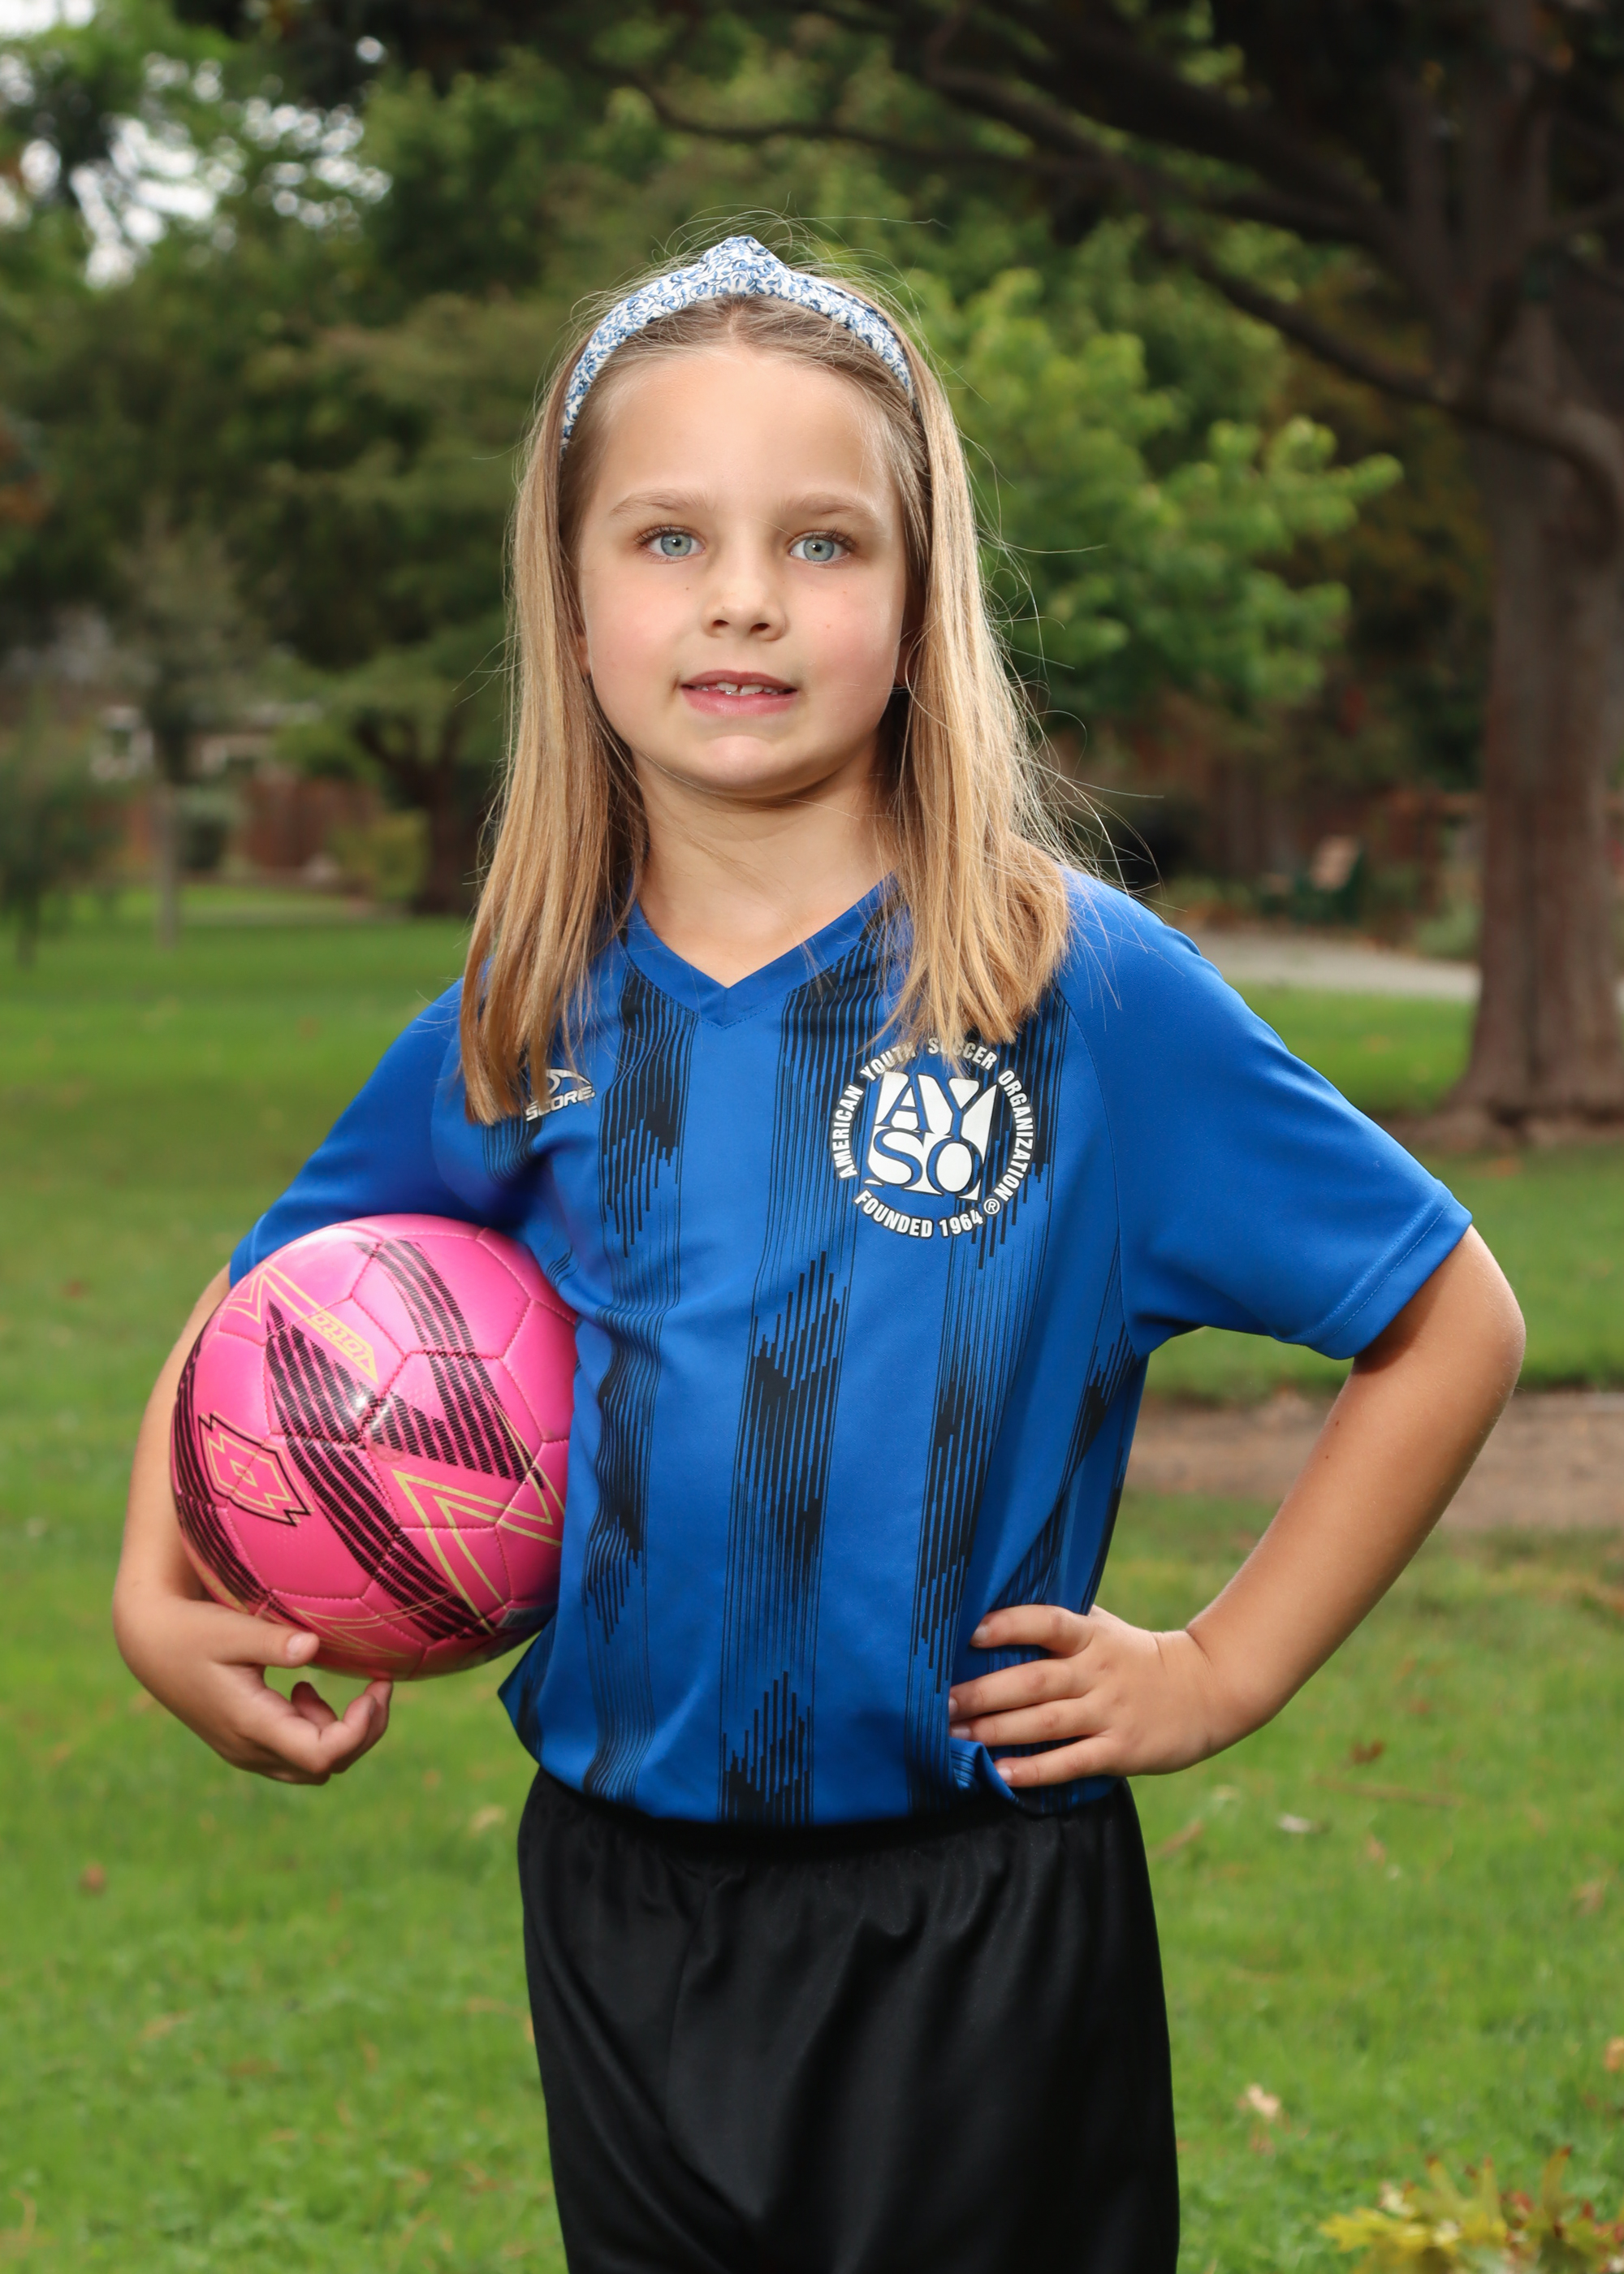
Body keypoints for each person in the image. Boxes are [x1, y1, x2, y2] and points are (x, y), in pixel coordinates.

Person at [114, 235, 1525, 2273]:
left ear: (920, 591)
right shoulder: (522, 1013)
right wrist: (157, 1590)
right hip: (621, 1907)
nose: (744, 597)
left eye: (822, 541)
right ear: (571, 595)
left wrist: (1223, 1665)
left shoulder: (1070, 993)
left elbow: (1446, 1315)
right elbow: (264, 1302)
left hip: (974, 1917)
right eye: (668, 536)